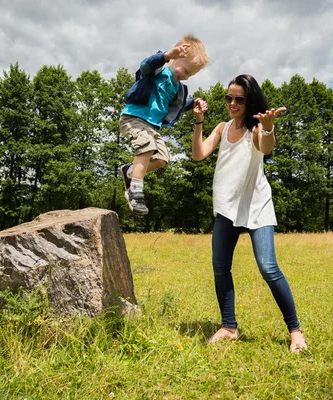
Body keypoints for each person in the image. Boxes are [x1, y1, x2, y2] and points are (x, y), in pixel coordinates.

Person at [191, 74, 308, 353]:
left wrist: (268, 129)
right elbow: (198, 154)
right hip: (226, 207)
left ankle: (295, 331)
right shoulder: (221, 127)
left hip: (256, 207)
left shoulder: (256, 129)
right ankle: (229, 327)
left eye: (239, 99)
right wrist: (198, 122)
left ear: (249, 100)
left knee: (269, 268)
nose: (232, 103)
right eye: (228, 97)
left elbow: (265, 147)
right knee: (220, 268)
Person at [118, 34, 210, 215]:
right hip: (134, 118)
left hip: (152, 127)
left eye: (191, 75)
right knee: (145, 148)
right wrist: (167, 55)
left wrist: (193, 103)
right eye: (186, 71)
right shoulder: (158, 69)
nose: (187, 77)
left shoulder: (178, 88)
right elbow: (145, 65)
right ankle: (135, 192)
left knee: (161, 159)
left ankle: (129, 171)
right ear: (177, 58)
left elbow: (177, 106)